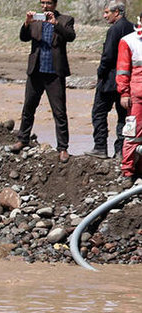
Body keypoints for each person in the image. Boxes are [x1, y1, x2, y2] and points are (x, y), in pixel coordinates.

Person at [8, 0, 76, 163]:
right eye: (43, 3)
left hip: (54, 73)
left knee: (59, 112)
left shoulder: (66, 20)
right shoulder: (35, 21)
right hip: (36, 71)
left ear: (55, 4)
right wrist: (26, 23)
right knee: (28, 107)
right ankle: (23, 139)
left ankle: (63, 148)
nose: (45, 6)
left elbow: (71, 36)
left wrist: (56, 24)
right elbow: (23, 38)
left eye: (48, 3)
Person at [85, 2, 133, 159]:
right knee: (123, 116)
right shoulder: (133, 27)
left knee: (98, 112)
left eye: (107, 13)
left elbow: (108, 56)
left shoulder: (114, 29)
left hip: (110, 79)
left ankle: (100, 147)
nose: (105, 16)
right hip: (127, 80)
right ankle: (121, 150)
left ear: (117, 12)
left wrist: (100, 73)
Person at [116, 13, 142, 187]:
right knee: (133, 134)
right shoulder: (129, 41)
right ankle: (128, 171)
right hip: (136, 96)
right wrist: (124, 93)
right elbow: (123, 70)